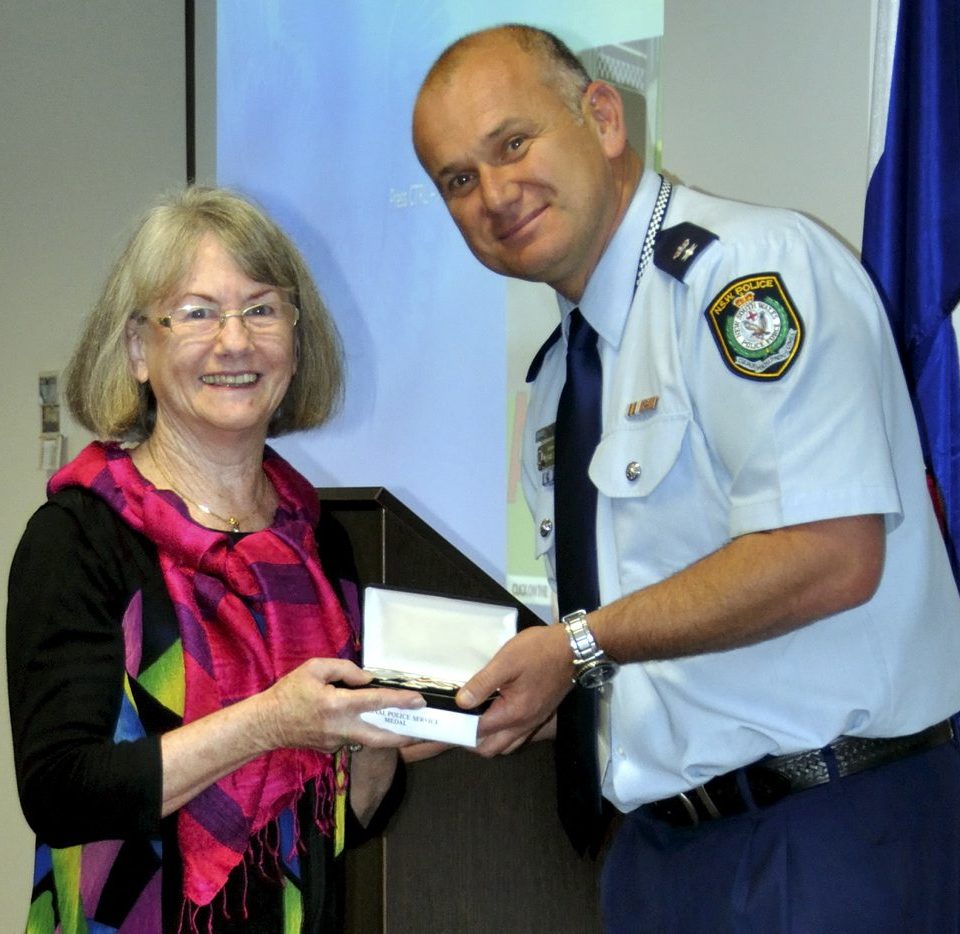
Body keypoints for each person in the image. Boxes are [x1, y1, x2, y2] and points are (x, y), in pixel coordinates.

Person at [411, 23, 960, 932]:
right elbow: (650, 640)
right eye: (458, 180)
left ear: (603, 117)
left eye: (513, 144)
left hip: (829, 834)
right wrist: (485, 697)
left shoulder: (748, 275)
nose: (495, 194)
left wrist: (575, 649)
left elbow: (829, 555)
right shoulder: (557, 381)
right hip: (663, 860)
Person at [6, 186, 427, 933]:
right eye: (197, 312)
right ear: (139, 348)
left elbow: (345, 824)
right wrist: (271, 723)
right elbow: (63, 792)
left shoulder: (319, 544)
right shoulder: (79, 537)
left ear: (297, 342)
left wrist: (375, 740)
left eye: (262, 308)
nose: (236, 342)